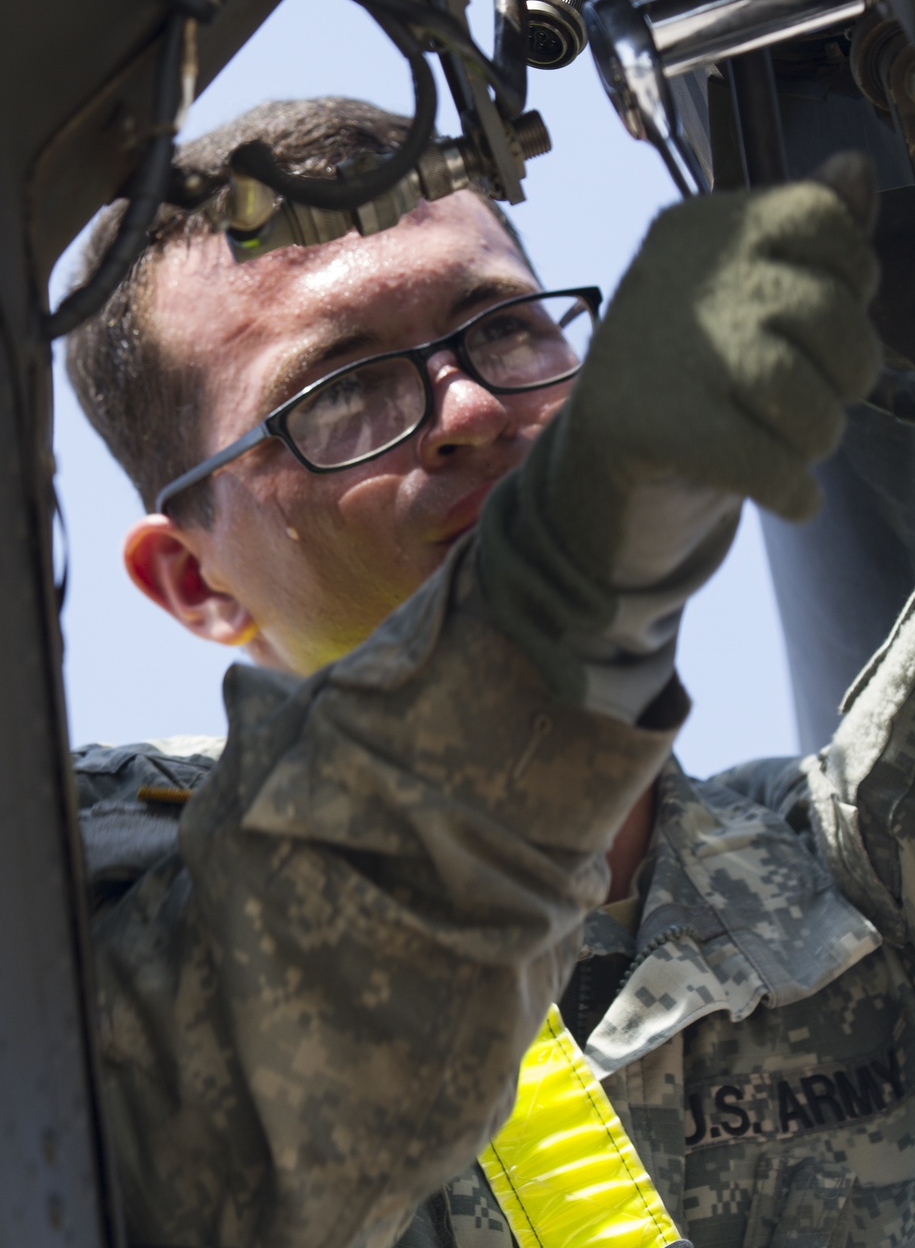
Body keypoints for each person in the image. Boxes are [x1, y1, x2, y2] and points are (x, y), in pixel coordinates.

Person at [66, 98, 909, 1248]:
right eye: (338, 391)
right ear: (193, 579)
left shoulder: (851, 873)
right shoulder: (66, 895)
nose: (469, 406)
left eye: (506, 328)